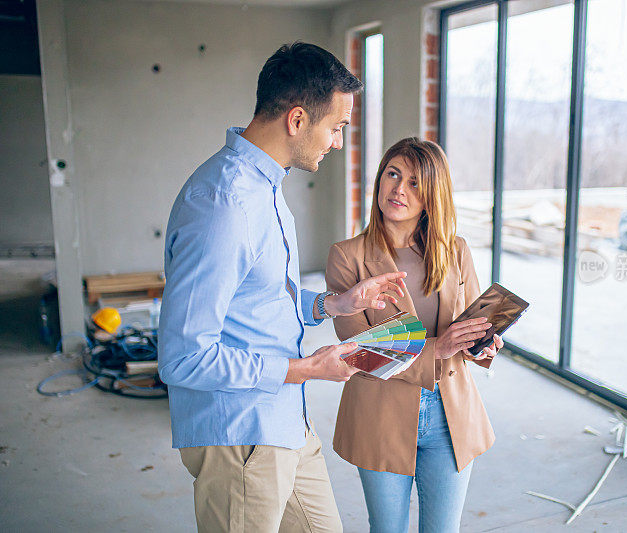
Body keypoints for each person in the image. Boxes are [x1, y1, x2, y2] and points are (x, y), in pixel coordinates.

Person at [158, 42, 407, 533]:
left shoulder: (264, 187)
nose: (338, 142)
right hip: (241, 439)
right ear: (297, 120)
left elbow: (262, 296)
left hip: (284, 421)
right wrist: (306, 368)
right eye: (336, 127)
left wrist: (334, 303)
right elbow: (183, 356)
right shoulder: (225, 205)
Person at [325, 137, 503, 533]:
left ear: (432, 195)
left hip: (449, 413)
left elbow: (469, 327)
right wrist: (439, 347)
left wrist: (482, 344)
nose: (399, 189)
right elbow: (358, 353)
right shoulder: (347, 256)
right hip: (379, 414)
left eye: (415, 182)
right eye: (393, 174)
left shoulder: (454, 251)